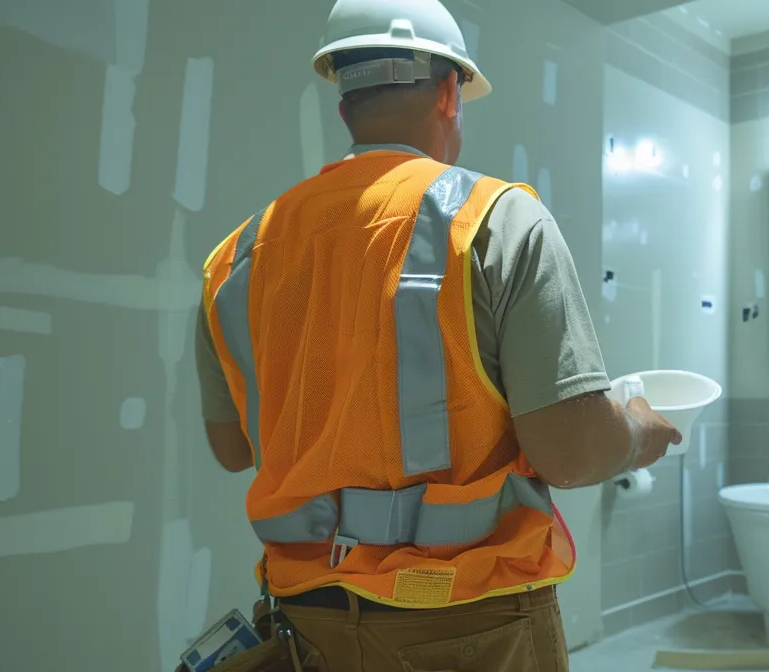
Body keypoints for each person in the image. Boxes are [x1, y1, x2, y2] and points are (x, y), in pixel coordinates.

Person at [191, 1, 681, 669]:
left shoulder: (238, 257)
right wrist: (639, 430)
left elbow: (230, 445)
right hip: (470, 627)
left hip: (305, 628)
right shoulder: (495, 221)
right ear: (450, 93)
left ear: (344, 103)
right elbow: (570, 453)